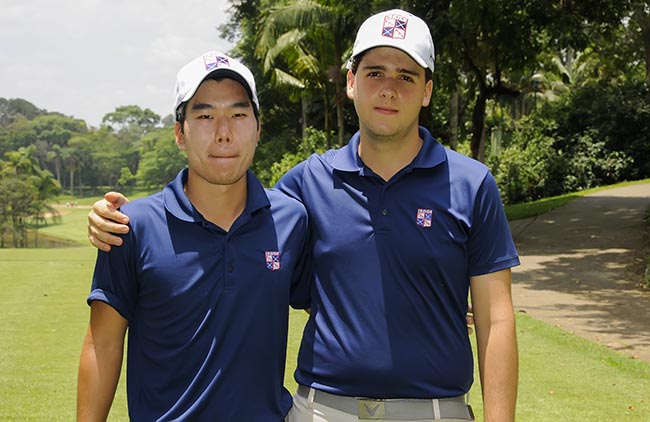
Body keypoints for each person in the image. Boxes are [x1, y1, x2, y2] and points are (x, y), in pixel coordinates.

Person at [88, 9, 519, 422]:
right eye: (374, 73)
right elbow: (222, 192)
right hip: (321, 411)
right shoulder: (303, 186)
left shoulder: (471, 183)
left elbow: (496, 318)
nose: (389, 88)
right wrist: (112, 217)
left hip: (435, 411)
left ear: (427, 91)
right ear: (351, 82)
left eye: (406, 76)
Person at [77, 50, 311, 421]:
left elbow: (334, 308)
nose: (223, 132)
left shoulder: (291, 219)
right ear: (179, 133)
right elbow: (102, 344)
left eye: (238, 114)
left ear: (257, 127)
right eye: (204, 116)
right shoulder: (130, 226)